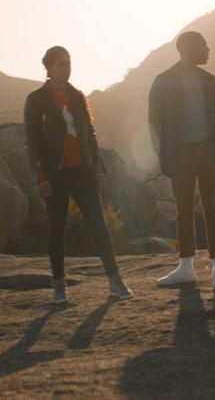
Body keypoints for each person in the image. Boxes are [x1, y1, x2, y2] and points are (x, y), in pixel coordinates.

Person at [23, 46, 134, 304]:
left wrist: (97, 166)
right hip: (54, 172)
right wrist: (40, 176)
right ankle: (59, 287)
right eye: (61, 64)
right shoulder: (36, 99)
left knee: (99, 226)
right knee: (57, 229)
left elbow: (90, 133)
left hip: (82, 170)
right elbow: (31, 140)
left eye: (68, 63)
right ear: (48, 68)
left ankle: (115, 282)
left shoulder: (77, 96)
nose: (66, 68)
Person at [148, 31, 215, 288]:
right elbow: (154, 122)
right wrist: (163, 157)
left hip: (210, 150)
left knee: (212, 209)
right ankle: (185, 267)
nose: (208, 50)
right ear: (187, 48)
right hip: (180, 153)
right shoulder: (163, 81)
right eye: (203, 46)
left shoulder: (211, 80)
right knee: (183, 210)